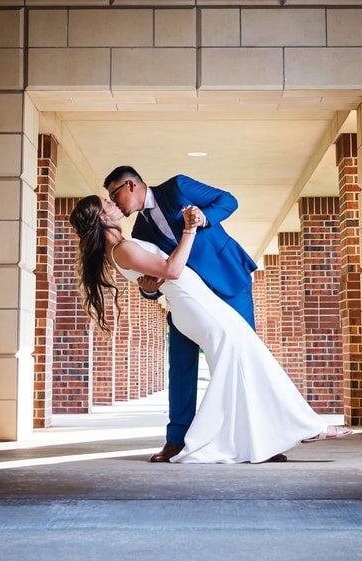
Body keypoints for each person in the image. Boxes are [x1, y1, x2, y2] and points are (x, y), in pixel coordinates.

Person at [68, 190, 356, 464]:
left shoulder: (124, 245)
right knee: (244, 357)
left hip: (199, 301)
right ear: (102, 218)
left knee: (242, 361)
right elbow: (172, 270)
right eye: (106, 202)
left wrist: (152, 281)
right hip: (196, 306)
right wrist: (189, 230)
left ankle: (267, 435)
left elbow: (158, 275)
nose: (113, 202)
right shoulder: (122, 248)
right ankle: (302, 426)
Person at [102, 165, 255, 461]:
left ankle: (257, 438)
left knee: (245, 358)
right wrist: (148, 289)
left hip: (227, 280)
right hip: (188, 301)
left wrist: (203, 217)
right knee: (181, 365)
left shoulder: (178, 187)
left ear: (131, 185)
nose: (115, 202)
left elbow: (229, 200)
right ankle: (177, 440)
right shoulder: (138, 232)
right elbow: (158, 276)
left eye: (114, 194)